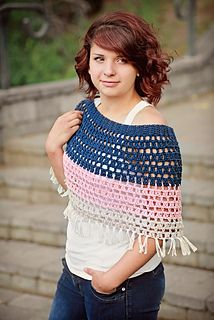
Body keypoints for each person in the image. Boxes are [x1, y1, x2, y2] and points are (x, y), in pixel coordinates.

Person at [46, 11, 197, 320]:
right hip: (73, 272)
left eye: (122, 60)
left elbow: (161, 224)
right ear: (87, 62)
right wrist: (52, 149)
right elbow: (79, 196)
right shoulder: (86, 111)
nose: (109, 71)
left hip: (122, 286)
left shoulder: (150, 131)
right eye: (100, 58)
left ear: (140, 66)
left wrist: (109, 280)